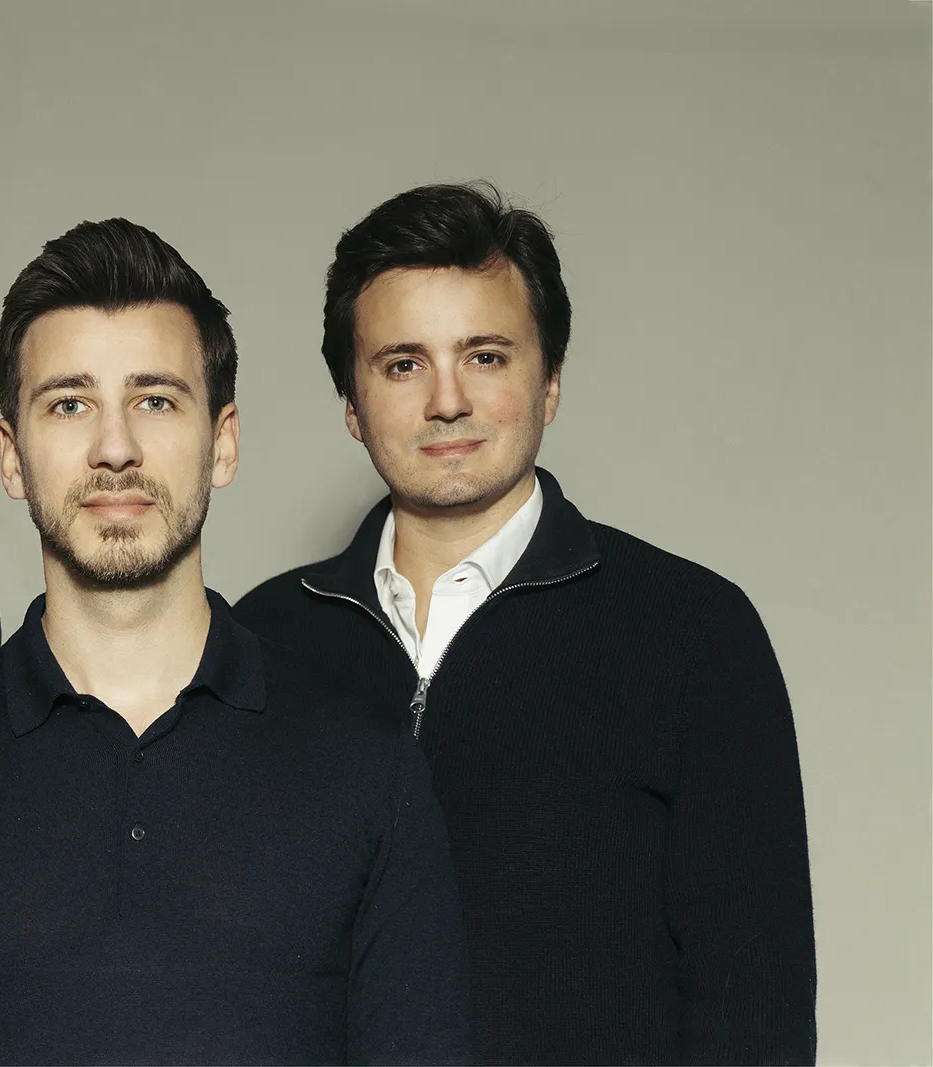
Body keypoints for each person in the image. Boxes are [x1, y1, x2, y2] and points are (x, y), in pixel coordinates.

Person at [0, 218, 471, 1065]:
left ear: (222, 442)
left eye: (155, 400)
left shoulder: (368, 766)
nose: (114, 448)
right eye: (69, 403)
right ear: (12, 456)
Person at [234, 183, 817, 1065]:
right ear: (352, 404)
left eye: (486, 356)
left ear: (550, 384)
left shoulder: (693, 633)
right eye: (403, 364)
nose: (447, 400)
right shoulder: (263, 641)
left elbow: (755, 1011)